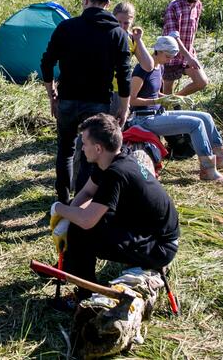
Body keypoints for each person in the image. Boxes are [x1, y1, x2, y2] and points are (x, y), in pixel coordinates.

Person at [49, 113, 180, 299]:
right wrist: (66, 216)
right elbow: (87, 193)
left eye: (84, 144)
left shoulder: (116, 174)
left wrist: (58, 209)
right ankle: (70, 267)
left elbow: (86, 221)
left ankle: (85, 294)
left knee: (81, 232)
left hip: (158, 246)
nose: (82, 148)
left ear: (98, 148)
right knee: (81, 222)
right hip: (145, 229)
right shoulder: (113, 160)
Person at [41, 0, 132, 203]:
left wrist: (51, 94)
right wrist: (124, 106)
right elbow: (124, 74)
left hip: (67, 99)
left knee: (65, 150)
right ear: (108, 3)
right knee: (90, 155)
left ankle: (62, 200)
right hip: (98, 104)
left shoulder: (66, 28)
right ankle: (80, 205)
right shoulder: (118, 34)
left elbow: (46, 63)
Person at [129, 36, 223, 185]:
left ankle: (221, 159)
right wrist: (157, 101)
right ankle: (208, 170)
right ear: (158, 51)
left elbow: (154, 92)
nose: (170, 60)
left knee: (206, 117)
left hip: (158, 113)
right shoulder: (142, 69)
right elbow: (132, 99)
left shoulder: (160, 67)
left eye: (172, 57)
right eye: (168, 56)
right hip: (143, 119)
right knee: (195, 124)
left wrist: (173, 98)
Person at [162, 0, 208, 96]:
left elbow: (194, 29)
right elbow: (173, 36)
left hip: (188, 51)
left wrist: (190, 54)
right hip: (170, 53)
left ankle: (176, 98)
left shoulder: (198, 5)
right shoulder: (174, 6)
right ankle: (167, 106)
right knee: (167, 88)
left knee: (202, 82)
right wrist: (188, 57)